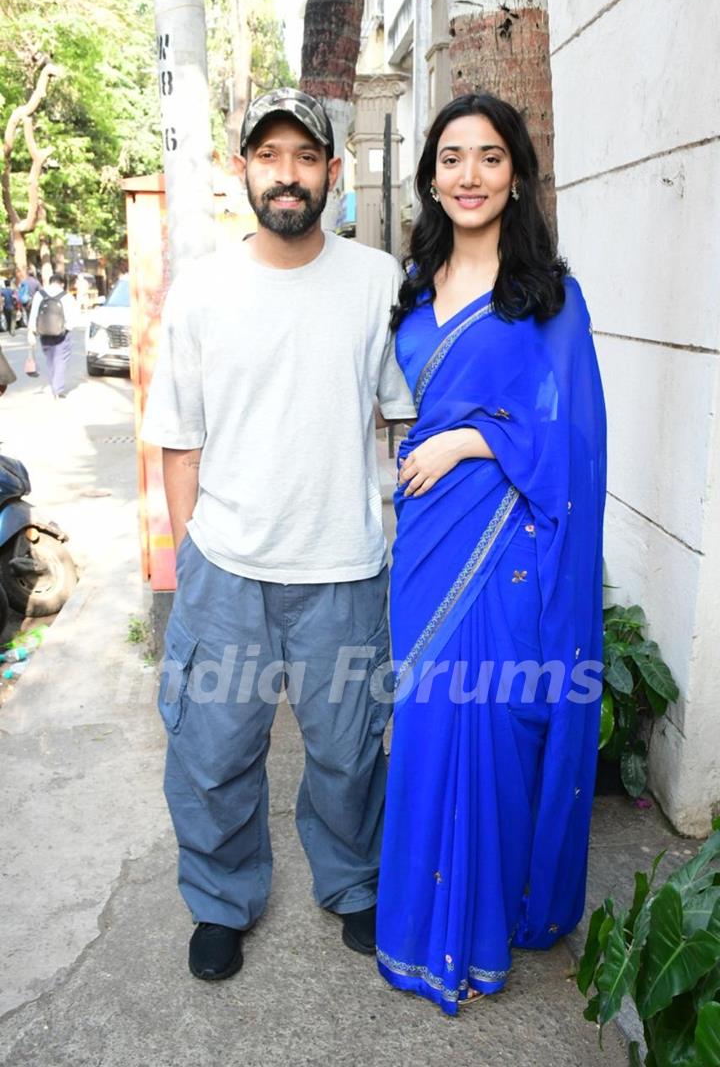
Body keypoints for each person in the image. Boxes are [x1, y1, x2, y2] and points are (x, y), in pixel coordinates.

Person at [140, 88, 415, 983]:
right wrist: (192, 570)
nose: (287, 173)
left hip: (343, 568)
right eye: (270, 156)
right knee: (213, 754)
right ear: (243, 171)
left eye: (306, 156)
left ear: (334, 173)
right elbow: (180, 443)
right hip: (227, 569)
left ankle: (353, 883)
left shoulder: (378, 281)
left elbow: (403, 421)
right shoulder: (204, 292)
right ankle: (221, 899)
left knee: (348, 750)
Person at [376, 93, 607, 1014]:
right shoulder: (412, 284)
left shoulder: (549, 297)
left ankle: (484, 928)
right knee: (430, 724)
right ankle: (423, 933)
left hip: (508, 546)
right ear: (432, 176)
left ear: (516, 176)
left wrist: (471, 442)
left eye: (490, 158)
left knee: (501, 728)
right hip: (426, 540)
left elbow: (574, 441)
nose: (469, 176)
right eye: (452, 158)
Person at [27, 273, 79, 398]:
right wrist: (67, 328)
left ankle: (54, 385)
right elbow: (73, 318)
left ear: (50, 282)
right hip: (62, 333)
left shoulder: (39, 295)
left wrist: (31, 331)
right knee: (60, 359)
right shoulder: (67, 297)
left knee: (50, 359)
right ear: (62, 283)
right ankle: (58, 389)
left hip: (44, 332)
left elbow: (34, 313)